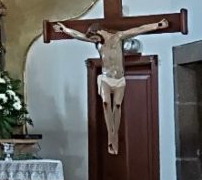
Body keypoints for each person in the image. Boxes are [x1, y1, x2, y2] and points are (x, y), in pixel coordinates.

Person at [52, 18, 170, 153]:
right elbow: (79, 36)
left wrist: (158, 25)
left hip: (119, 79)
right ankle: (111, 139)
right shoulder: (97, 42)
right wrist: (64, 29)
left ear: (99, 31)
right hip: (106, 78)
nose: (94, 41)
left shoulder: (118, 37)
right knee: (106, 104)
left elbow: (138, 29)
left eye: (95, 37)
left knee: (117, 106)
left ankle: (114, 137)